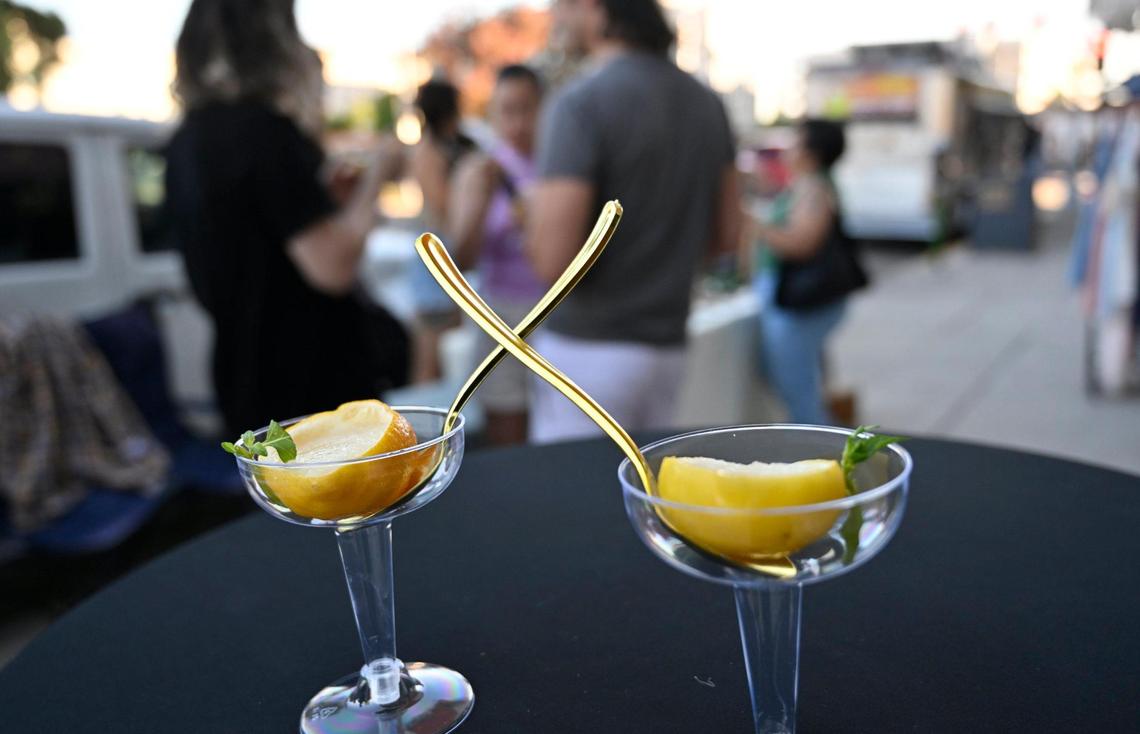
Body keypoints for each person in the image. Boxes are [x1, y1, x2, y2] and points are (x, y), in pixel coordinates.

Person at [165, 0, 408, 438]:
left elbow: (252, 239)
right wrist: (378, 179)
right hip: (311, 387)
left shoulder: (185, 142)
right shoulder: (264, 132)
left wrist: (328, 202)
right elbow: (331, 267)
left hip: (246, 381)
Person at [525, 0, 741, 443]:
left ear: (600, 10)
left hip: (588, 348)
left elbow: (553, 262)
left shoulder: (581, 103)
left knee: (572, 498)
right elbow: (726, 238)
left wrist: (530, 212)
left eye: (566, 5)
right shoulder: (707, 104)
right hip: (669, 345)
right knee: (642, 496)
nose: (557, 17)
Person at [449, 65, 545, 445]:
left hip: (553, 313)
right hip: (499, 314)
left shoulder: (562, 166)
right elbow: (463, 258)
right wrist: (478, 201)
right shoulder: (478, 170)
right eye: (508, 110)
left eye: (527, 108)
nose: (518, 122)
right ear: (493, 114)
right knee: (507, 428)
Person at [747, 119, 852, 425]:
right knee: (796, 379)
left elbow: (802, 244)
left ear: (812, 153)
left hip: (800, 303)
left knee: (799, 392)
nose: (788, 149)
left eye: (795, 142)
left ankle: (824, 456)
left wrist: (756, 224)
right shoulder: (809, 184)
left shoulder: (814, 188)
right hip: (799, 301)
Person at [407, 79, 475, 383]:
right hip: (437, 258)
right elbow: (444, 210)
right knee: (431, 356)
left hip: (446, 256)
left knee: (449, 353)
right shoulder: (430, 153)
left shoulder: (447, 148)